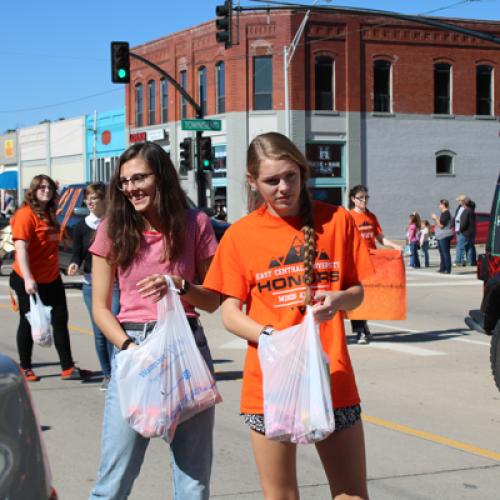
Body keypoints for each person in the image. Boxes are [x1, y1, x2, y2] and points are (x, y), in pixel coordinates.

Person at [203, 132, 373, 499]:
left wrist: (339, 299)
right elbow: (230, 313)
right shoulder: (240, 235)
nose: (283, 187)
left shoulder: (338, 221)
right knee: (280, 496)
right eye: (271, 180)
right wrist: (269, 335)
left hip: (332, 378)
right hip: (271, 383)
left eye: (290, 176)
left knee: (351, 494)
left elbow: (359, 292)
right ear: (252, 182)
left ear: (301, 170)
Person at [89, 141, 220, 500]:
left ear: (161, 176)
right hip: (135, 350)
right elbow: (100, 308)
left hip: (186, 350)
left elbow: (212, 300)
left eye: (139, 178)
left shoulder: (196, 223)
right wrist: (129, 349)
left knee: (193, 483)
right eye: (124, 181)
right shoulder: (113, 227)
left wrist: (181, 286)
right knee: (114, 480)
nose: (130, 187)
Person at [9, 174, 91, 382]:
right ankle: (25, 366)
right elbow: (21, 249)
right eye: (42, 187)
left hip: (51, 277)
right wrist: (28, 279)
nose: (46, 190)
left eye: (50, 188)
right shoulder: (25, 215)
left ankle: (67, 367)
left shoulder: (51, 213)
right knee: (29, 322)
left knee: (60, 319)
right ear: (33, 190)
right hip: (27, 278)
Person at [67, 183, 119, 391]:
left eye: (95, 198)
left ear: (105, 200)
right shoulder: (81, 227)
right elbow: (77, 253)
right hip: (91, 284)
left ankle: (117, 373)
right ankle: (107, 374)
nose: (90, 201)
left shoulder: (114, 224)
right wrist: (73, 264)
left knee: (113, 327)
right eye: (87, 198)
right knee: (99, 332)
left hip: (114, 285)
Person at [348, 184, 402, 344]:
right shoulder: (349, 217)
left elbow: (379, 238)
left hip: (372, 261)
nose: (364, 200)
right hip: (356, 261)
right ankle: (359, 331)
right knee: (357, 297)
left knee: (370, 296)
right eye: (360, 198)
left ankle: (364, 327)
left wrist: (394, 245)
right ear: (353, 199)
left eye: (366, 197)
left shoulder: (371, 216)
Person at [431, 199, 453, 274]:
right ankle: (442, 268)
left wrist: (435, 218)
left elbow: (441, 225)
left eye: (440, 204)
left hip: (445, 235)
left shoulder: (446, 213)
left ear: (443, 205)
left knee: (445, 252)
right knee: (442, 252)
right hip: (440, 236)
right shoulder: (443, 213)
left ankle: (447, 269)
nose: (439, 206)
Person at [460, 197, 477, 266]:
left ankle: (461, 261)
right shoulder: (471, 211)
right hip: (471, 232)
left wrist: (460, 229)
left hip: (466, 232)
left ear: (464, 204)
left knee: (462, 247)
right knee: (470, 247)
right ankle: (471, 261)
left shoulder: (466, 211)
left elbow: (464, 222)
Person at [453, 194, 467, 266]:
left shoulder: (465, 208)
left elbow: (463, 219)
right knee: (460, 245)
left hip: (461, 229)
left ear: (463, 201)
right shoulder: (460, 207)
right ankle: (461, 260)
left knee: (460, 246)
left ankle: (458, 261)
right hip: (458, 229)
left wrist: (460, 228)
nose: (458, 202)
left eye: (459, 200)